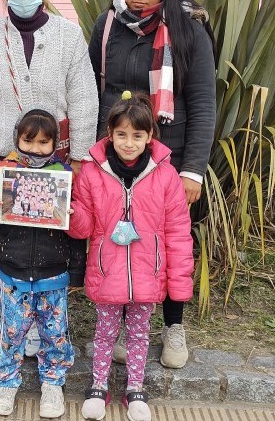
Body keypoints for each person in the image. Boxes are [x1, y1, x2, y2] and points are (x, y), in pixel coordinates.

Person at [0, 0, 98, 355]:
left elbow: (84, 99)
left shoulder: (68, 35)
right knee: (8, 239)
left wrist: (79, 160)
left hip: (56, 163)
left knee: (50, 243)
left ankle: (47, 319)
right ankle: (14, 321)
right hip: (4, 159)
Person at [89, 0, 215, 369]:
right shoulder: (107, 27)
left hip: (169, 155)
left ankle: (174, 327)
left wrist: (193, 168)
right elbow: (90, 91)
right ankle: (123, 327)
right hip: (116, 153)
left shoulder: (187, 31)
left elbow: (201, 103)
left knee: (172, 242)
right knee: (120, 239)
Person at [69, 91, 194, 421]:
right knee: (104, 332)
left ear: (150, 136)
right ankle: (98, 386)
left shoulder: (166, 176)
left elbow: (178, 233)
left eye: (137, 135)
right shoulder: (93, 173)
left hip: (147, 274)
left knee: (139, 335)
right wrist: (69, 213)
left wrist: (178, 287)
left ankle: (135, 388)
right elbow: (83, 226)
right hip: (106, 270)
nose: (128, 143)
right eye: (121, 135)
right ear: (110, 134)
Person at [0, 109, 86, 419]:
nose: (35, 148)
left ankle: (53, 382)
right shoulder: (3, 171)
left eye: (43, 143)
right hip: (13, 270)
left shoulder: (64, 177)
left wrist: (77, 269)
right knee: (11, 332)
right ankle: (7, 382)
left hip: (53, 272)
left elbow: (77, 233)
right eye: (28, 141)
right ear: (17, 139)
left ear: (55, 144)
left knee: (55, 331)